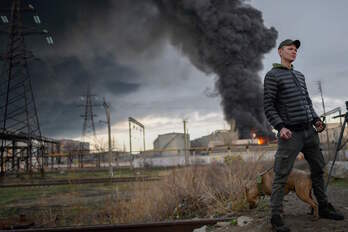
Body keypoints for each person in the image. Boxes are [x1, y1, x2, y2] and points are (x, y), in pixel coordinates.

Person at [263, 39, 344, 232]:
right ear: (280, 51)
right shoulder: (272, 75)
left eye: (296, 50)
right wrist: (280, 126)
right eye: (290, 49)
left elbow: (307, 101)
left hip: (309, 131)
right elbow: (268, 106)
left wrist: (316, 119)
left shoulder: (299, 75)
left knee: (318, 169)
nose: (294, 52)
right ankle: (275, 217)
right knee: (281, 174)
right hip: (290, 134)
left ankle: (323, 207)